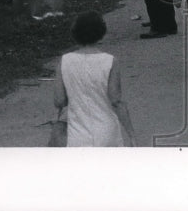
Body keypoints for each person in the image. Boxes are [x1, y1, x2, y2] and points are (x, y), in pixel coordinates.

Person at [54, 11, 136, 146]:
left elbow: (59, 101)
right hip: (107, 132)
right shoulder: (110, 61)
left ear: (75, 33)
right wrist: (131, 135)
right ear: (101, 33)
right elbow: (116, 101)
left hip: (78, 135)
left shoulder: (65, 61)